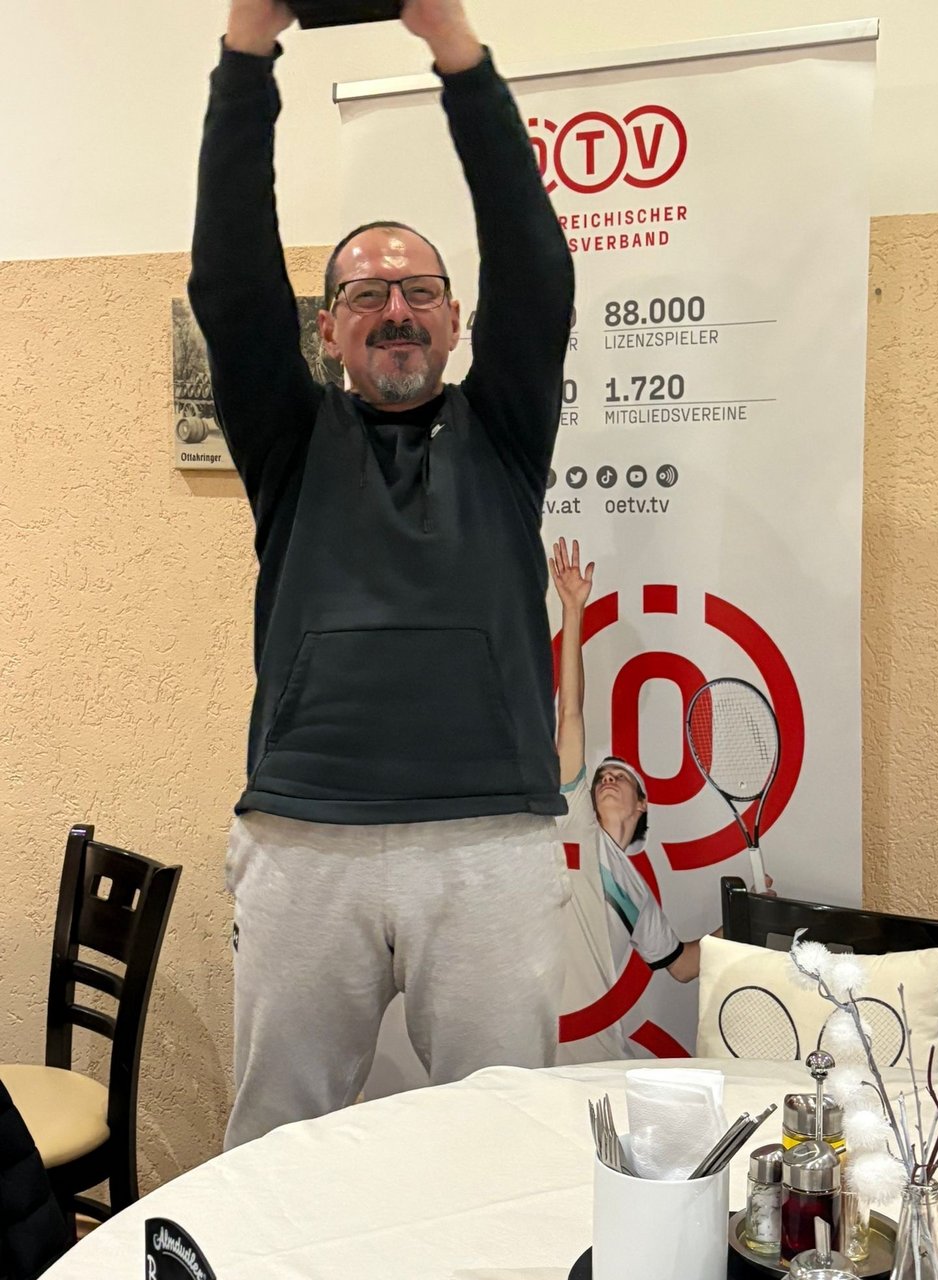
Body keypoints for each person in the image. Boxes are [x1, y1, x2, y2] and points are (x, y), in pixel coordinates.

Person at [189, 0, 575, 1149]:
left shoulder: (503, 430)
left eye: (419, 292)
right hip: (306, 838)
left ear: (456, 322)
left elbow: (535, 263)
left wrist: (454, 49)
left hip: (489, 842)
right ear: (328, 330)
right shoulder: (289, 438)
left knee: (503, 1147)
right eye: (365, 294)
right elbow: (230, 279)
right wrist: (246, 51)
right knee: (277, 1146)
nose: (396, 309)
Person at [550, 538, 704, 1056]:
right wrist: (574, 611)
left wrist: (746, 920)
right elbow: (571, 713)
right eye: (600, 777)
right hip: (531, 1058)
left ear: (643, 804)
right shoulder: (572, 822)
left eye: (621, 777)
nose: (607, 780)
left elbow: (683, 966)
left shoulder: (636, 891)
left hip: (598, 1060)